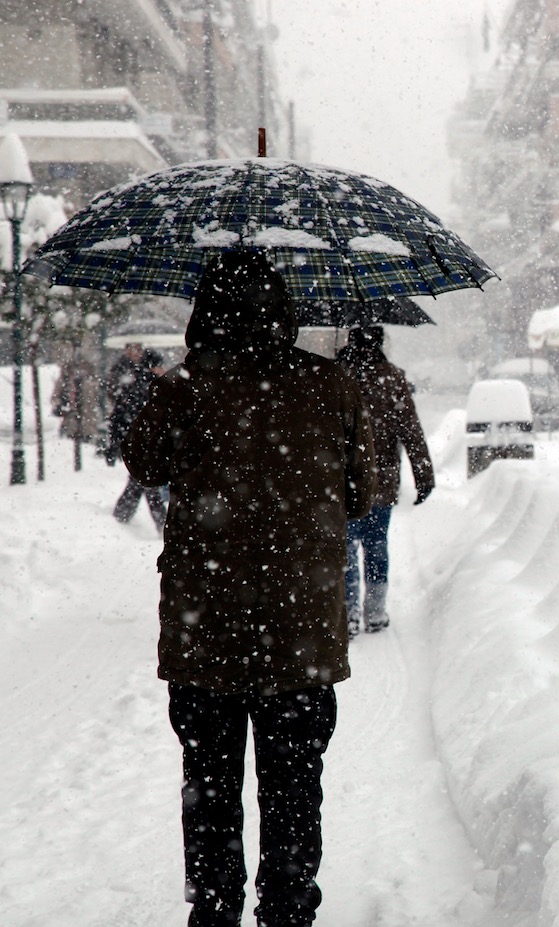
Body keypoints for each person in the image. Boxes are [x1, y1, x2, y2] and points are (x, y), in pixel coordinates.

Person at [121, 251, 376, 927]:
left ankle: (214, 907)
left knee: (210, 784)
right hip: (301, 630)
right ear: (281, 309)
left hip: (206, 628)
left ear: (204, 309)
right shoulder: (332, 385)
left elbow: (143, 461)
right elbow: (363, 492)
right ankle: (289, 907)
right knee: (294, 785)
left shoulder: (184, 387)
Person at [335, 325, 434, 635]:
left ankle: (348, 611)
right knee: (376, 544)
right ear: (379, 343)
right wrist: (423, 476)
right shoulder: (392, 378)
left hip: (342, 479)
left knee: (346, 547)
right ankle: (375, 611)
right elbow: (411, 430)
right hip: (381, 479)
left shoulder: (335, 375)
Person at [106, 342, 168, 529]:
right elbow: (120, 412)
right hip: (140, 438)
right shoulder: (133, 379)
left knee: (141, 480)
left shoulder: (155, 382)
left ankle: (121, 516)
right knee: (146, 481)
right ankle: (161, 524)